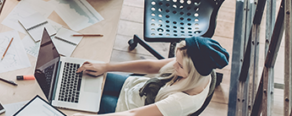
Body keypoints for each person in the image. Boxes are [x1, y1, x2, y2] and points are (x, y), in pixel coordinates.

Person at [72, 37, 229, 116]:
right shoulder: (202, 67)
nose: (174, 65)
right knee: (81, 78)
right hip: (136, 87)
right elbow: (151, 66)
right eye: (177, 59)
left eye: (179, 66)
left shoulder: (181, 101)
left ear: (193, 74)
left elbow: (133, 114)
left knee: (78, 104)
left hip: (129, 109)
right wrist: (106, 67)